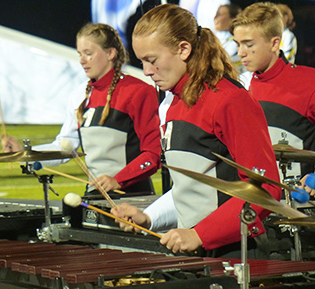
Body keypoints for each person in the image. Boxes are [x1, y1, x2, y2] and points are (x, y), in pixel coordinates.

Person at [111, 4, 281, 256]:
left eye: (152, 60)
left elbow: (266, 189)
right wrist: (149, 218)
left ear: (183, 49)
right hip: (197, 254)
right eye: (142, 62)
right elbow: (190, 189)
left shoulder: (229, 99)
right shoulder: (173, 104)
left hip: (235, 255)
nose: (147, 71)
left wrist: (201, 234)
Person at [2, 23, 161, 195]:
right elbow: (65, 147)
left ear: (110, 53)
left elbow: (153, 154)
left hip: (134, 196)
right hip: (95, 195)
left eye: (88, 53)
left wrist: (118, 180)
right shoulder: (78, 96)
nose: (82, 60)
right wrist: (26, 154)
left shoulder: (138, 92)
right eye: (80, 54)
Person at [232, 2, 315, 198]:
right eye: (237, 44)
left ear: (274, 43)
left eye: (249, 44)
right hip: (246, 205)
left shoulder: (314, 84)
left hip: (292, 206)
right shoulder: (237, 87)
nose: (241, 52)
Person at [214, 4, 244, 73]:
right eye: (216, 14)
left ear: (232, 19)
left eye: (219, 14)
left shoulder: (236, 43)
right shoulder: (212, 38)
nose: (215, 18)